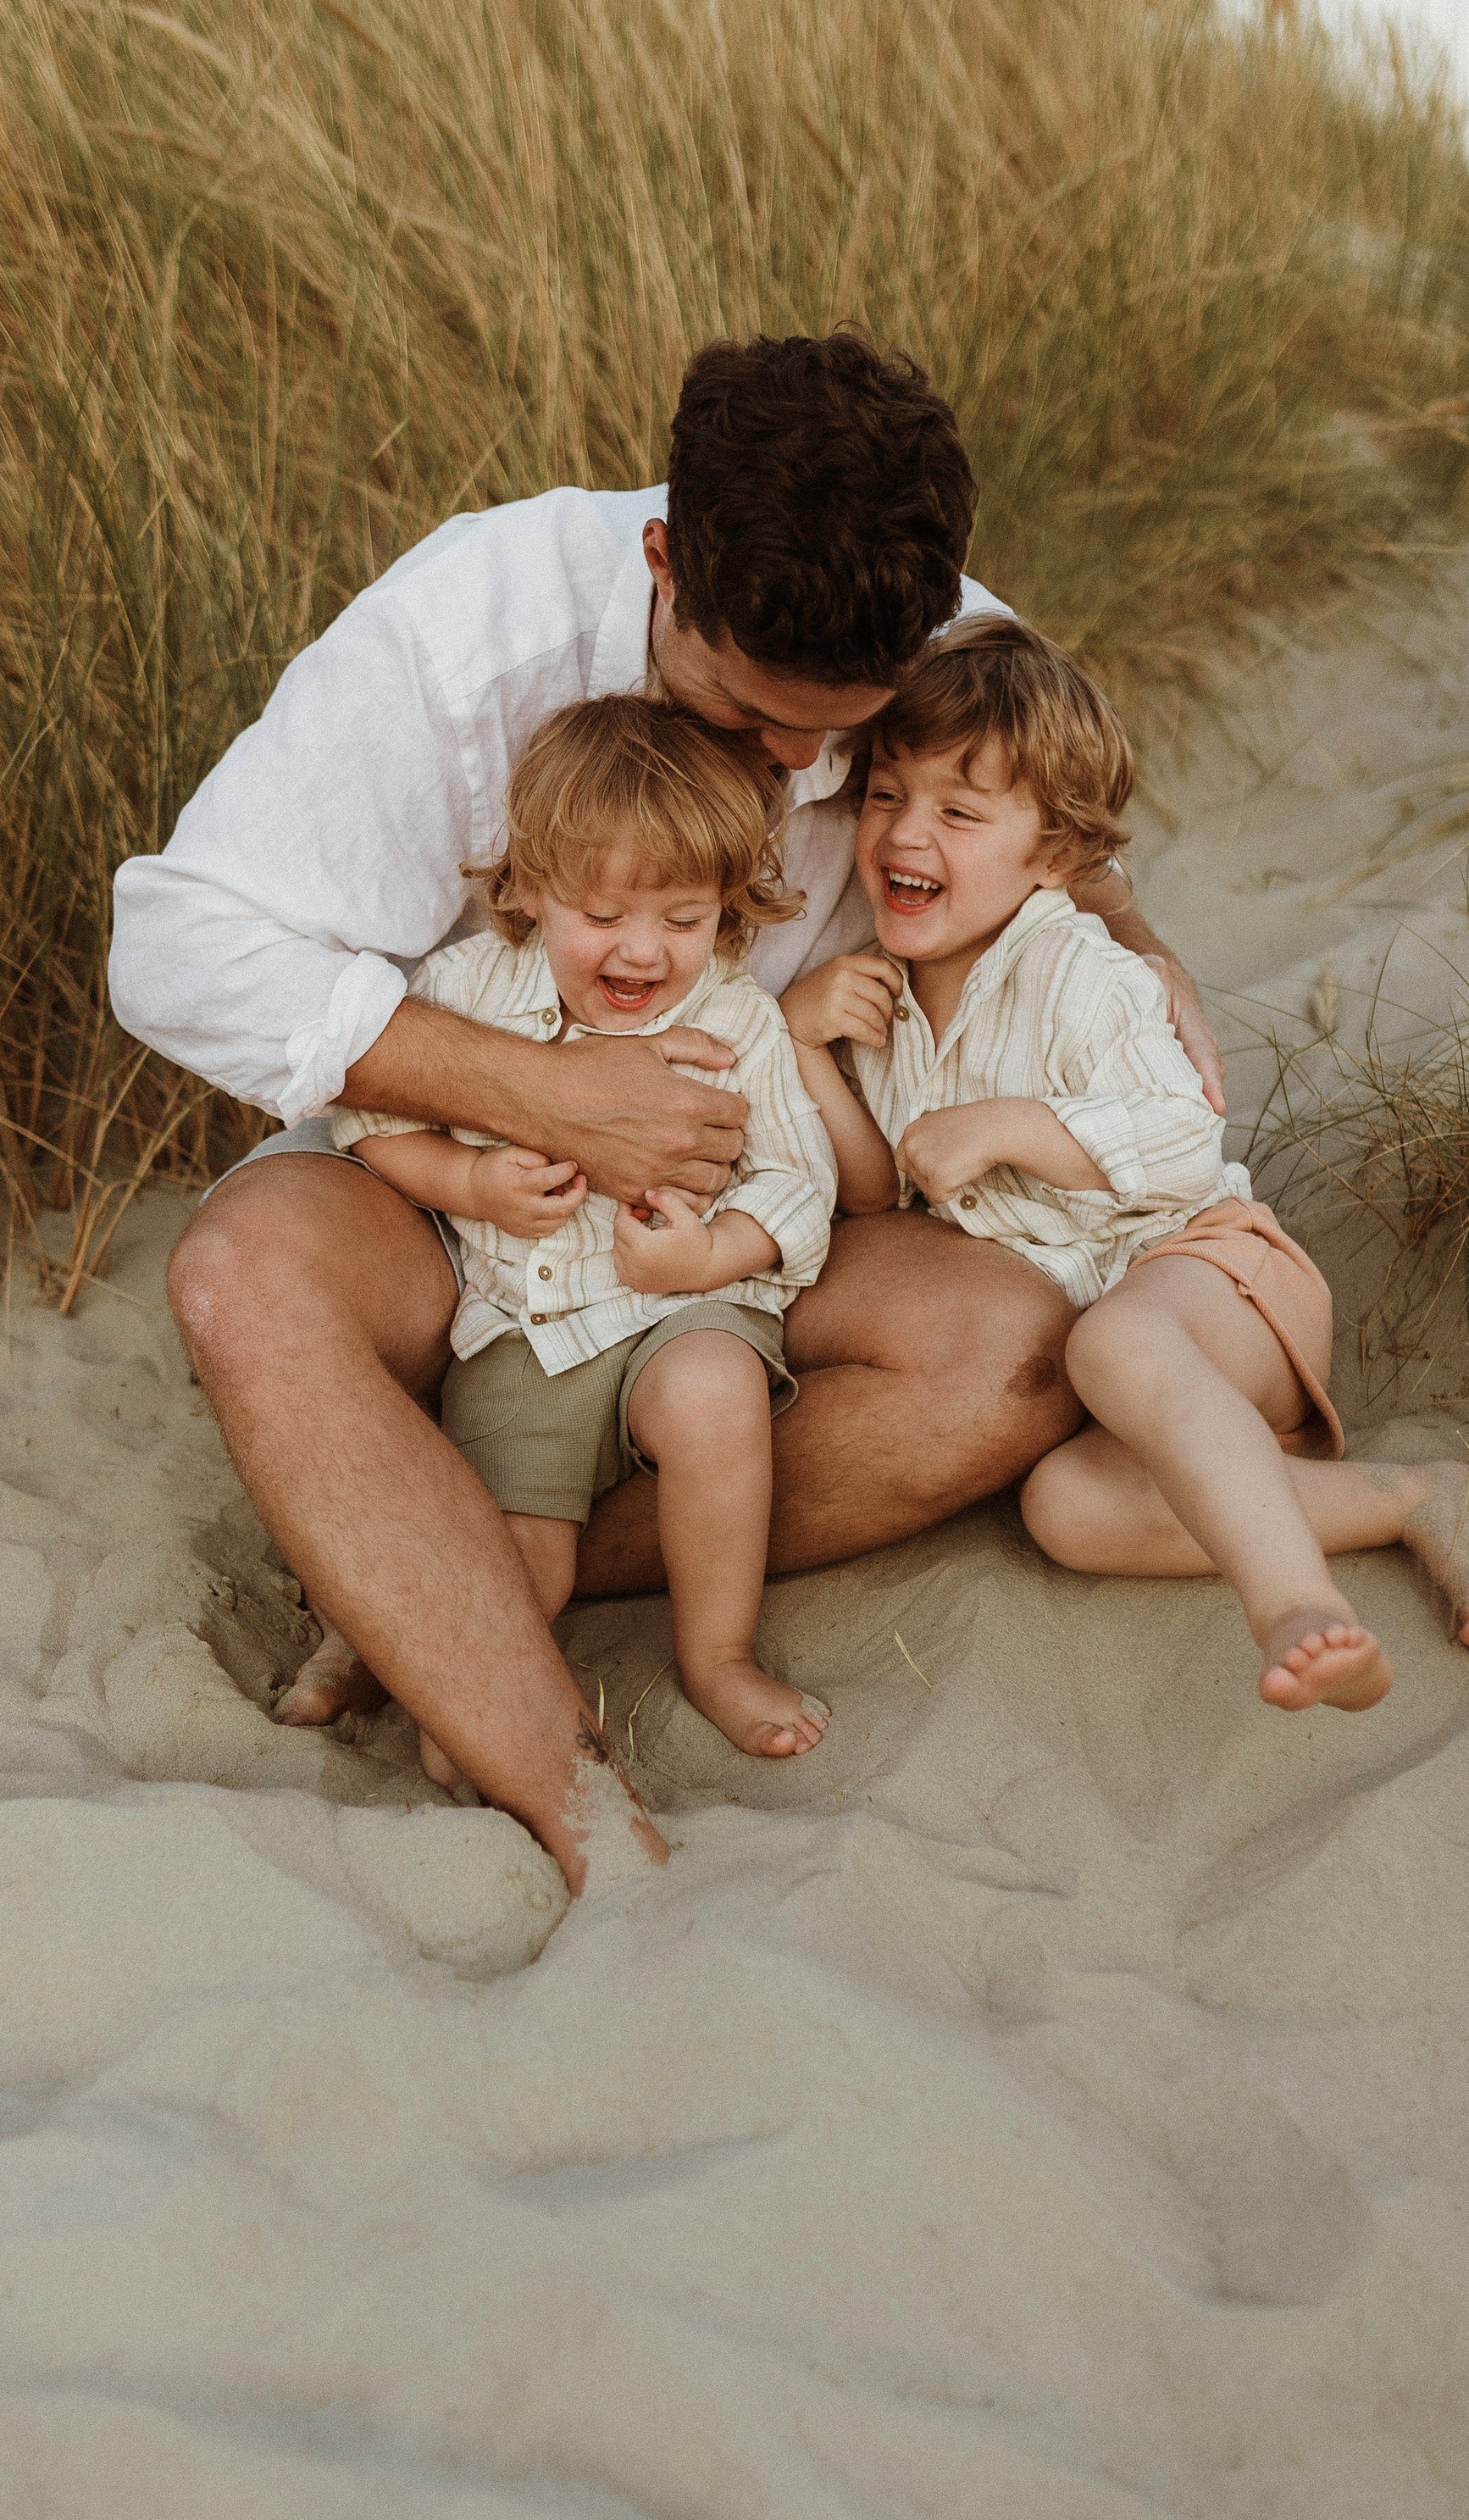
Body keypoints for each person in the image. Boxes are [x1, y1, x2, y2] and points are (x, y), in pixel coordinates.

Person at [113, 333, 1222, 1890]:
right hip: (463, 1194)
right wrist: (549, 1095)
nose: (799, 767)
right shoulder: (466, 638)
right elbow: (175, 949)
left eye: (839, 732)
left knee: (1016, 1350)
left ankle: (429, 1569)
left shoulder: (955, 638)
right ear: (664, 566)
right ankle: (577, 1806)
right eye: (755, 715)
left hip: (744, 1231)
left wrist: (1143, 946)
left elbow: (1060, 847)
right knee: (239, 1277)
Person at [784, 618, 1469, 1712]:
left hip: (1211, 1279)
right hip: (1115, 1389)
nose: (905, 832)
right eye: (885, 795)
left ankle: (1294, 1605)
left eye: (959, 812)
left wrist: (1015, 1124)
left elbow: (1181, 1139)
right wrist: (804, 1046)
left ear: (1055, 857)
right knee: (1066, 1510)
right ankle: (1406, 1497)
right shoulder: (874, 996)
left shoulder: (1080, 971)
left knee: (1120, 1340)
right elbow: (876, 1196)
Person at [333, 696, 837, 1773]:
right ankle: (473, 1701)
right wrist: (471, 1180)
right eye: (603, 914)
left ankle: (717, 1657)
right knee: (529, 1560)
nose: (644, 951)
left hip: (684, 1304)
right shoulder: (466, 993)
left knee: (713, 1396)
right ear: (527, 886)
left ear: (726, 910)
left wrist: (713, 1254)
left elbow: (802, 1180)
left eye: (684, 920)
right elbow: (368, 1123)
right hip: (526, 1325)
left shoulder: (737, 1018)